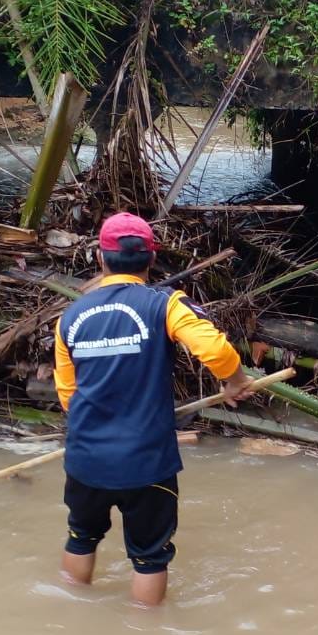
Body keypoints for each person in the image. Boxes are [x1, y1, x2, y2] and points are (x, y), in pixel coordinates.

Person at [53, 211, 254, 606]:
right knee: (149, 558)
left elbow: (67, 398)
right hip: (146, 463)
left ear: (100, 258)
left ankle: (73, 618)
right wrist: (234, 381)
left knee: (81, 537)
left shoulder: (71, 317)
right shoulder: (165, 305)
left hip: (86, 459)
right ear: (150, 260)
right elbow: (214, 349)